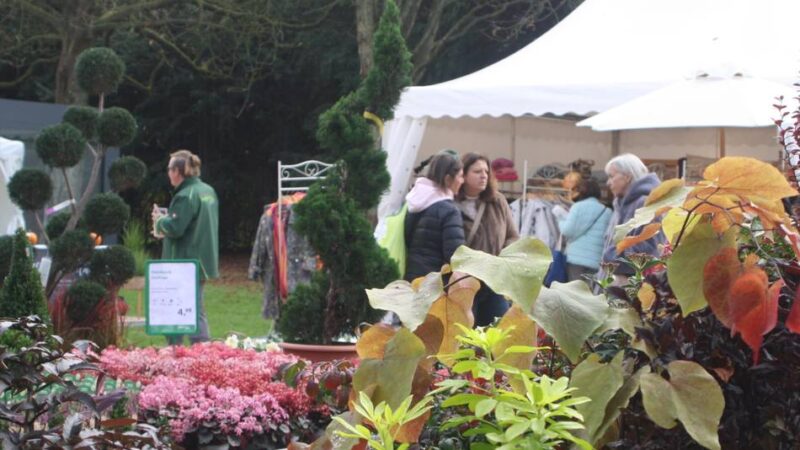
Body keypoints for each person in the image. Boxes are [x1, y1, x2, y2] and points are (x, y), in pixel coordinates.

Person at [152, 149, 219, 345]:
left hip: (183, 261)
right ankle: (202, 350)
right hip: (204, 260)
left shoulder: (185, 195)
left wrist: (159, 221)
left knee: (182, 310)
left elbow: (175, 228)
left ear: (177, 172)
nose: (168, 173)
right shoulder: (208, 191)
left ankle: (189, 351)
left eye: (169, 169)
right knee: (196, 307)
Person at [455, 153, 518, 326]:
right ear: (463, 175)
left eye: (486, 171)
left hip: (493, 280)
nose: (484, 175)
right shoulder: (451, 203)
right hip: (464, 282)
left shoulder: (498, 201)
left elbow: (512, 236)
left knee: (499, 330)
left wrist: (502, 259)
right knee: (464, 332)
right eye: (477, 171)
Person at [600, 153, 664, 280]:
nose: (608, 182)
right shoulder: (620, 203)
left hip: (632, 288)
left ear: (627, 177)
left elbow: (649, 251)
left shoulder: (645, 204)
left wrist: (610, 257)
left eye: (611, 176)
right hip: (617, 283)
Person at [404, 150, 465, 282]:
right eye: (460, 176)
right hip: (434, 284)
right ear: (448, 179)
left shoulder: (414, 202)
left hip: (411, 276)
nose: (462, 181)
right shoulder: (450, 211)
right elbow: (455, 255)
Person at [553, 178, 611, 284]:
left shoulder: (577, 207)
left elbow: (567, 231)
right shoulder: (607, 211)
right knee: (590, 294)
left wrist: (560, 218)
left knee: (575, 292)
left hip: (576, 259)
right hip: (596, 259)